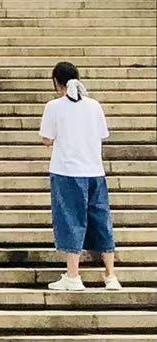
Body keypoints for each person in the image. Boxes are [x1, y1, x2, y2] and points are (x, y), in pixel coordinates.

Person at [41, 61, 121, 290]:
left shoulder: (54, 106)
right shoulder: (94, 105)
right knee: (101, 220)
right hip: (95, 170)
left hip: (67, 170)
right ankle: (110, 276)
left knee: (70, 219)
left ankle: (73, 275)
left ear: (57, 82)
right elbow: (101, 134)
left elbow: (46, 139)